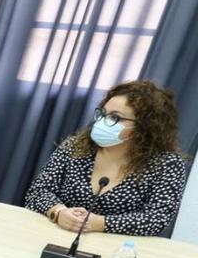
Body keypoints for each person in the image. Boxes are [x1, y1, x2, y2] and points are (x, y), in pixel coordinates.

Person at [25, 81, 189, 236]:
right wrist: (59, 212)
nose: (103, 121)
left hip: (119, 249)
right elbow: (38, 191)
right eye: (102, 114)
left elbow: (157, 218)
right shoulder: (74, 146)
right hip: (58, 233)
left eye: (115, 117)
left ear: (144, 126)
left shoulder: (167, 165)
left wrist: (99, 223)